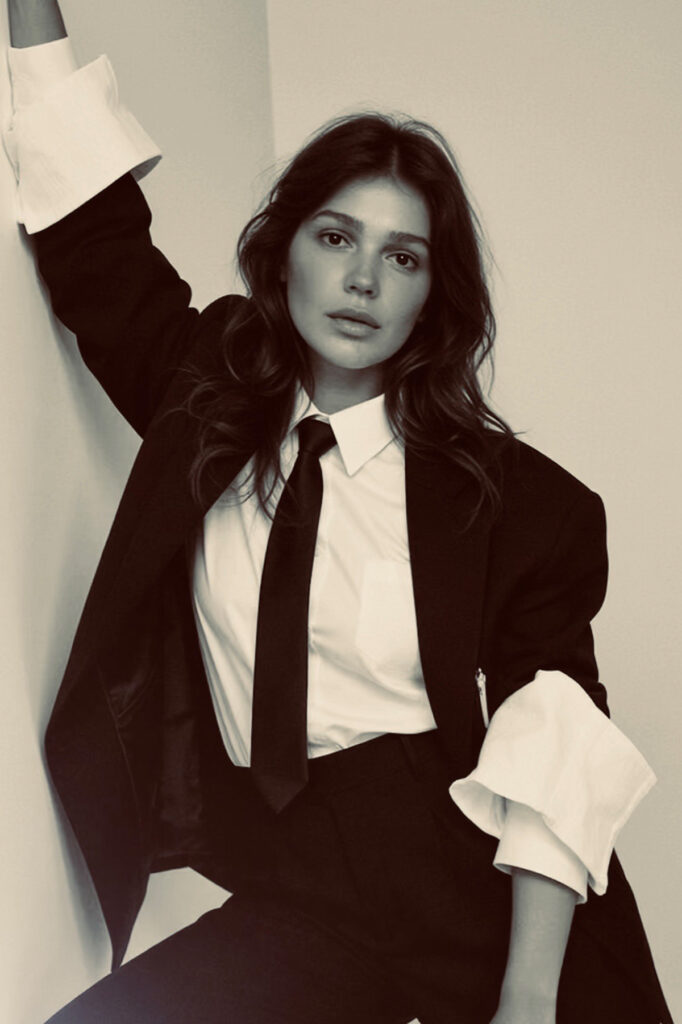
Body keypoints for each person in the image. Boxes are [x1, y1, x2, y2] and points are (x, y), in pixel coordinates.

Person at [4, 2, 673, 1022]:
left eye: (403, 257)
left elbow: (553, 732)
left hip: (492, 893)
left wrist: (527, 999)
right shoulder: (205, 403)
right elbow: (97, 248)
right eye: (336, 237)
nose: (362, 279)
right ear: (284, 256)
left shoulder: (518, 503)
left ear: (431, 295)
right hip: (301, 891)